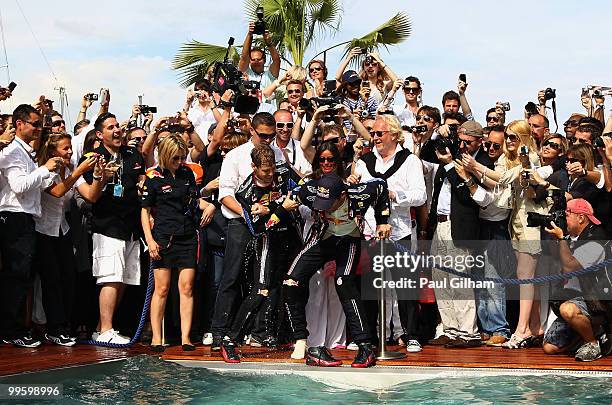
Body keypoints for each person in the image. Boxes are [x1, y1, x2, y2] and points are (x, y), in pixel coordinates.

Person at [283, 173, 391, 368]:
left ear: (342, 195)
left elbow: (381, 187)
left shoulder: (360, 193)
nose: (323, 206)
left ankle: (365, 346)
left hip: (349, 239)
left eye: (329, 202)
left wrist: (382, 220)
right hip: (322, 236)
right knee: (291, 280)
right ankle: (300, 338)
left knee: (344, 283)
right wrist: (289, 203)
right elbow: (295, 192)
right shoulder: (310, 192)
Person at [219, 144, 301, 362]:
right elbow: (257, 227)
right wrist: (281, 208)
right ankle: (230, 339)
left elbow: (302, 189)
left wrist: (275, 207)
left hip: (291, 239)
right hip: (267, 242)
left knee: (289, 286)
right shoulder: (246, 192)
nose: (271, 173)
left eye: (272, 168)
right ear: (253, 167)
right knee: (261, 290)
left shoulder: (283, 172)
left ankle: (282, 335)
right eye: (265, 170)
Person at [211, 112, 285, 349]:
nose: (268, 140)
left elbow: (284, 185)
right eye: (263, 135)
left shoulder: (279, 154)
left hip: (270, 224)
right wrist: (249, 214)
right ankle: (219, 332)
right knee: (231, 278)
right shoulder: (235, 156)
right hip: (240, 224)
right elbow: (225, 195)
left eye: (272, 136)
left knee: (264, 280)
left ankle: (259, 331)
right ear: (251, 130)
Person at [353, 114, 427, 352]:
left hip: (399, 231)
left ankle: (411, 334)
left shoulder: (410, 161)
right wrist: (353, 184)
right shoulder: (364, 162)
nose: (374, 137)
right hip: (371, 230)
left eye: (379, 133)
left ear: (394, 135)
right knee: (372, 286)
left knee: (404, 286)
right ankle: (372, 335)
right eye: (373, 133)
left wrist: (396, 195)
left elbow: (421, 195)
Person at [34, 132, 105, 346]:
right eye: (65, 148)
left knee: (68, 278)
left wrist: (100, 177)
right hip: (42, 229)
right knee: (52, 280)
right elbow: (56, 191)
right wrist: (79, 172)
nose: (70, 152)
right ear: (54, 150)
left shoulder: (72, 169)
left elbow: (91, 195)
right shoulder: (45, 169)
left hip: (61, 230)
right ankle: (53, 328)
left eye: (70, 148)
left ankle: (64, 325)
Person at [141, 134, 211, 352]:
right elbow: (144, 212)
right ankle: (156, 337)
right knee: (161, 289)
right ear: (165, 156)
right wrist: (150, 240)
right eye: (175, 158)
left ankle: (186, 337)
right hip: (163, 237)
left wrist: (209, 206)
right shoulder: (154, 179)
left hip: (187, 236)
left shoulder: (187, 173)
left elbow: (194, 200)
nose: (180, 162)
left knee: (187, 287)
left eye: (182, 158)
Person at [0, 105, 62, 347]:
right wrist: (45, 170)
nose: (39, 129)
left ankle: (15, 329)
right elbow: (19, 186)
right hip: (14, 217)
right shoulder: (13, 151)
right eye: (35, 124)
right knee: (16, 276)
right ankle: (11, 330)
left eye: (41, 124)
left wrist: (48, 172)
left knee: (21, 277)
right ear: (19, 124)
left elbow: (30, 185)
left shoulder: (24, 152)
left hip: (24, 217)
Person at [85, 112, 146, 344]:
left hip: (130, 227)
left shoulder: (132, 154)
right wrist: (101, 177)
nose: (117, 130)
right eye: (110, 128)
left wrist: (142, 184)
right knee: (109, 278)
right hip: (107, 226)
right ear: (100, 134)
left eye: (117, 126)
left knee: (122, 279)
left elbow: (140, 178)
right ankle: (106, 331)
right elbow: (92, 195)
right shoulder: (94, 157)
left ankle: (102, 328)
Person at [426, 120, 487, 348]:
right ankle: (450, 329)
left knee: (460, 279)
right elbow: (425, 153)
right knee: (441, 278)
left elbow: (467, 195)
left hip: (459, 226)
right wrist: (434, 134)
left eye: (467, 142)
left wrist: (451, 165)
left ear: (479, 141)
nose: (462, 145)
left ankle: (468, 332)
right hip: (440, 224)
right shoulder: (451, 155)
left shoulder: (480, 162)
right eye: (460, 140)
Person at [543, 199, 609, 361]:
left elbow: (570, 267)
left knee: (568, 310)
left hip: (598, 304)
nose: (564, 219)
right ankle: (590, 333)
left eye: (567, 215)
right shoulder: (574, 237)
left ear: (581, 218)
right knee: (549, 347)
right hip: (576, 299)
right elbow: (555, 258)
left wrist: (562, 240)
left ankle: (593, 342)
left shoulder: (596, 241)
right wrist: (556, 239)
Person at [238, 22, 281, 104]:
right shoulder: (246, 73)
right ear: (249, 61)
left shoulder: (270, 75)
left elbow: (276, 60)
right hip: (249, 111)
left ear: (264, 60)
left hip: (267, 112)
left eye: (258, 59)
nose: (256, 61)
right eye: (253, 59)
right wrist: (250, 34)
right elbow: (244, 57)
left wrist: (268, 42)